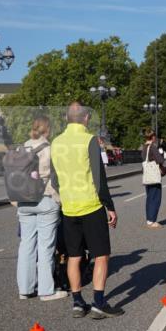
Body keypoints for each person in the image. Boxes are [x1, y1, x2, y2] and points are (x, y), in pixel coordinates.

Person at [49, 102, 121, 319]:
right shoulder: (89, 140)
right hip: (91, 205)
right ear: (86, 118)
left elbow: (54, 179)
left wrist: (66, 196)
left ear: (67, 118)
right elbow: (100, 178)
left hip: (69, 208)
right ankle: (99, 301)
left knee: (74, 256)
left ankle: (78, 302)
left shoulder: (56, 142)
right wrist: (110, 206)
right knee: (101, 255)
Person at [15, 116, 66, 301]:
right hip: (45, 199)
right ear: (47, 129)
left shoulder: (22, 148)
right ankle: (46, 290)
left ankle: (25, 289)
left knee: (26, 245)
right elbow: (60, 176)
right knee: (46, 247)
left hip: (23, 201)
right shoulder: (50, 149)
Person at [142, 128, 165, 228]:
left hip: (147, 175)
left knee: (149, 198)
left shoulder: (144, 147)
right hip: (154, 176)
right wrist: (162, 154)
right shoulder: (152, 147)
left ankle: (149, 219)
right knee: (156, 198)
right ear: (153, 137)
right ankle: (152, 220)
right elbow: (160, 160)